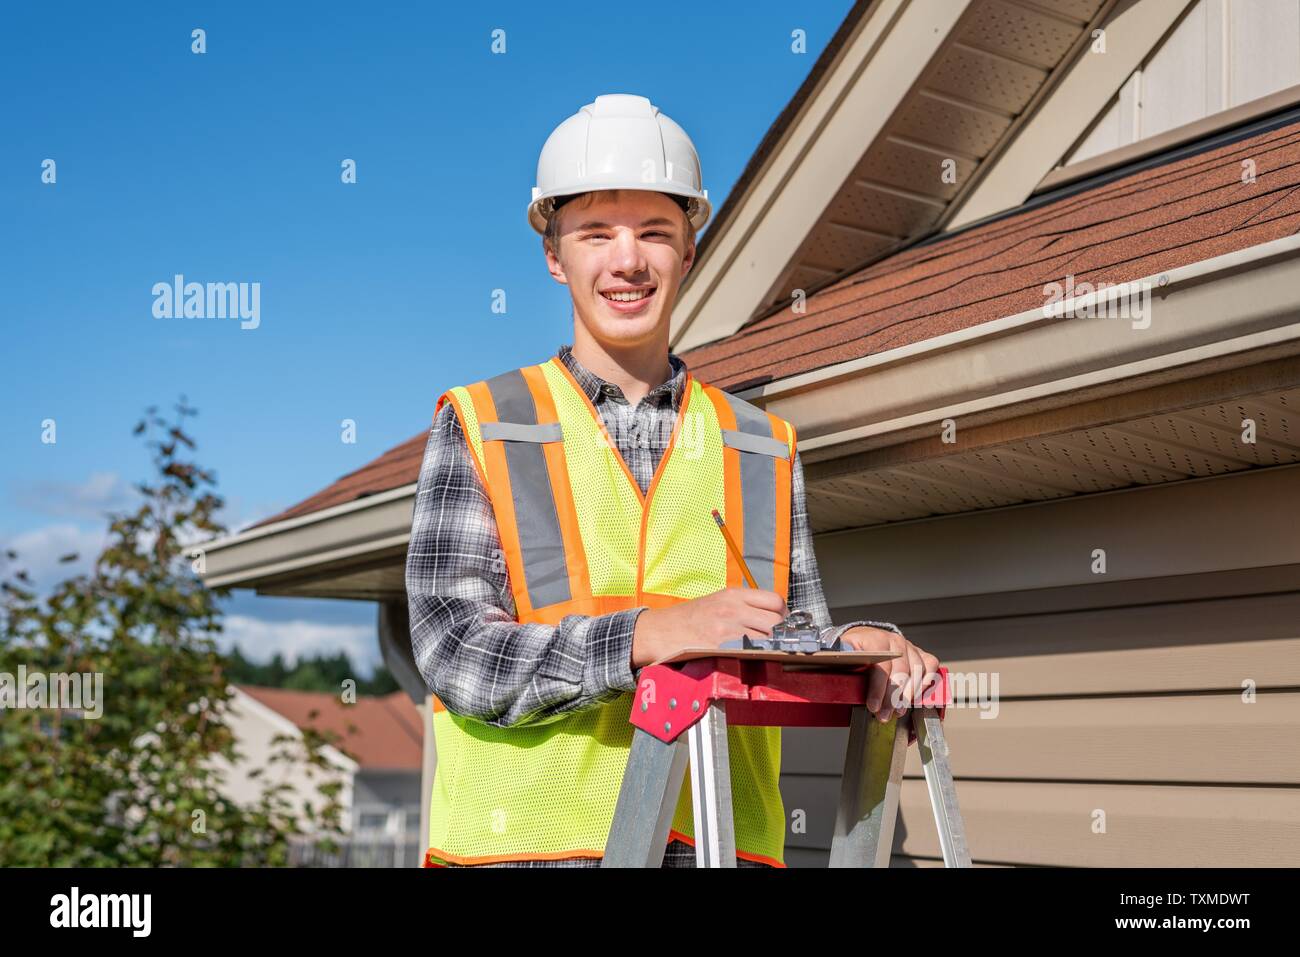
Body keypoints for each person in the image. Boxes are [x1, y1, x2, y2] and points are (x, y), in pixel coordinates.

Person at [406, 94, 941, 868]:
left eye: (655, 232)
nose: (628, 259)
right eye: (597, 233)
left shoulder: (759, 444)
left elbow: (784, 637)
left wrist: (855, 646)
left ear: (689, 251)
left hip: (722, 845)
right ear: (554, 256)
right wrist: (644, 639)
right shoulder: (486, 422)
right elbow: (454, 649)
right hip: (528, 851)